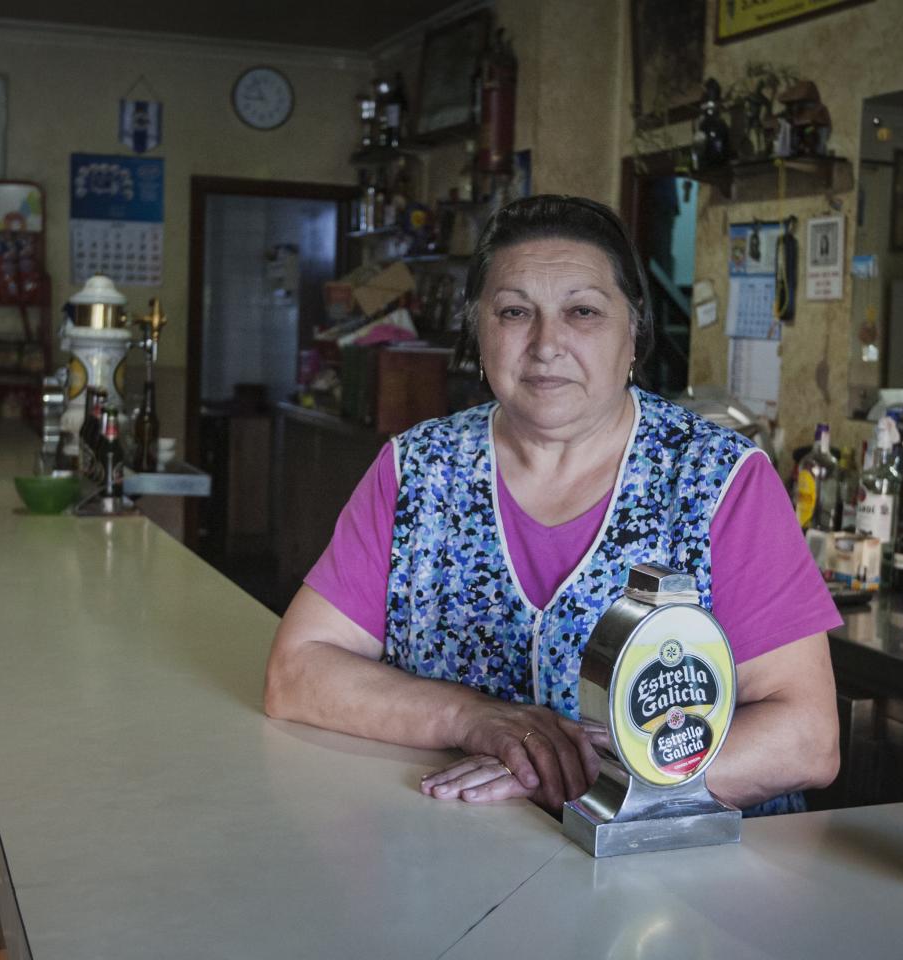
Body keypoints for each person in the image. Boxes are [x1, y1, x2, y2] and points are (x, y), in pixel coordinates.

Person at [264, 195, 840, 813]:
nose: (546, 344)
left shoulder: (718, 478)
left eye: (583, 311)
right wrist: (473, 718)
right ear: (478, 332)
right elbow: (297, 672)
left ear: (633, 333)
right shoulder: (419, 470)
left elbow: (805, 739)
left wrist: (580, 782)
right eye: (515, 312)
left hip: (675, 862)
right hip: (455, 842)